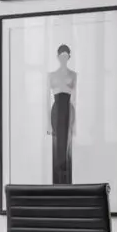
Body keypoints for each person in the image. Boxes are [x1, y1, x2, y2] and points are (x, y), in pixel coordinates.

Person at [47, 44, 77, 184]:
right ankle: (57, 180)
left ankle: (67, 179)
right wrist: (48, 123)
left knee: (68, 143)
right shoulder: (51, 75)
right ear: (58, 57)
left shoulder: (73, 75)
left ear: (69, 57)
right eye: (61, 56)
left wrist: (75, 124)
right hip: (56, 110)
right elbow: (46, 100)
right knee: (56, 144)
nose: (64, 58)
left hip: (68, 109)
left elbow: (75, 99)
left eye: (66, 56)